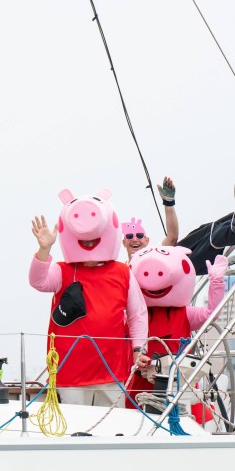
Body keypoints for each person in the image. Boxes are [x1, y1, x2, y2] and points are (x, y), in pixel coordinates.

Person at [29, 188, 149, 406]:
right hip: (70, 372)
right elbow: (38, 282)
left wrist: (139, 349)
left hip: (112, 371)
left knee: (113, 424)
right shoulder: (62, 270)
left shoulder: (123, 272)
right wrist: (44, 249)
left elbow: (137, 314)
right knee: (73, 424)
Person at [127, 246, 228, 420]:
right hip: (140, 380)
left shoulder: (185, 313)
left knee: (184, 419)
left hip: (179, 380)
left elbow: (211, 314)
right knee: (133, 420)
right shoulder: (133, 314)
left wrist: (216, 283)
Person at [121, 176, 179, 260]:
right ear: (124, 242)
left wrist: (168, 202)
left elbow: (172, 238)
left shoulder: (155, 256)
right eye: (129, 236)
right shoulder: (120, 267)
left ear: (147, 240)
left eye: (140, 235)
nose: (134, 239)